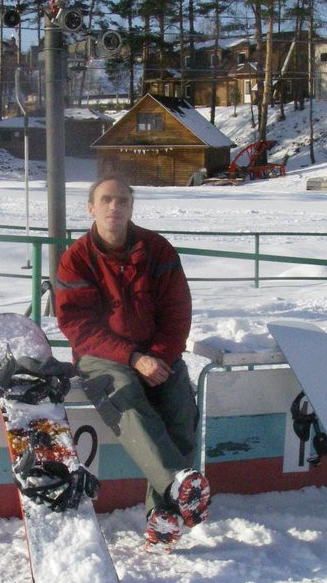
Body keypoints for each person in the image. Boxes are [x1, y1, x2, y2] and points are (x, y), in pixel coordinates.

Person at [55, 174, 211, 548]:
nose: (115, 206)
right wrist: (132, 358)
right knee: (123, 392)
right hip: (101, 357)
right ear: (91, 208)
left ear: (131, 207)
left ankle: (162, 515)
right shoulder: (75, 260)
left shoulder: (158, 250)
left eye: (122, 200)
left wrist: (157, 357)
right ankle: (176, 483)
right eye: (106, 200)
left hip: (157, 353)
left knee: (178, 405)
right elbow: (77, 326)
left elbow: (177, 314)